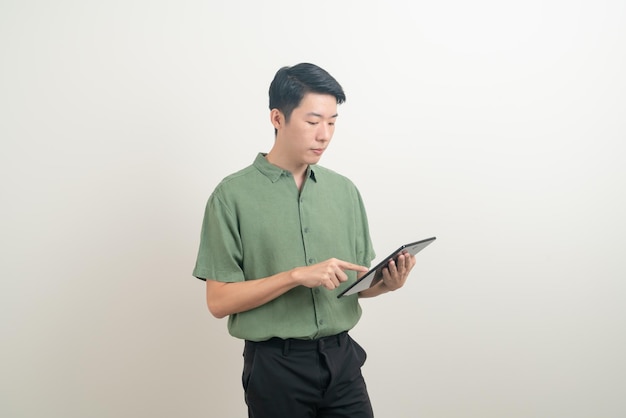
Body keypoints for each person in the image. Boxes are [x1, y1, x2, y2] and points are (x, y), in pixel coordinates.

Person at [193, 63, 417, 418]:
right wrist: (296, 276)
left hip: (343, 363)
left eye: (332, 122)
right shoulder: (231, 197)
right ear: (277, 118)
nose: (324, 135)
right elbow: (218, 302)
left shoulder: (344, 192)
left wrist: (386, 284)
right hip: (275, 370)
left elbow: (354, 288)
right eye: (313, 122)